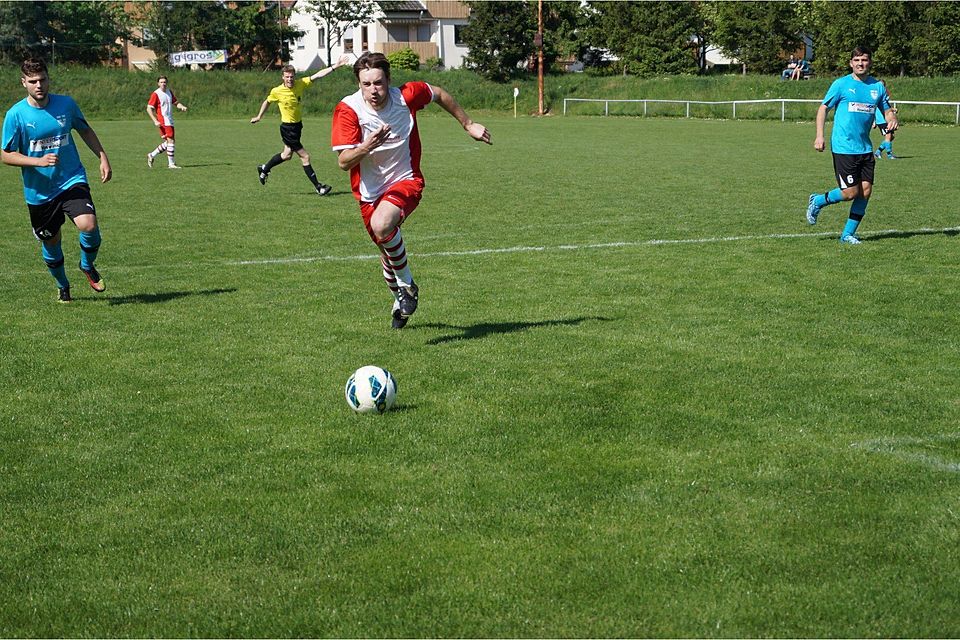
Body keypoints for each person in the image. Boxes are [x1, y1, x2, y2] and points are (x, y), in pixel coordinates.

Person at [331, 52, 491, 329]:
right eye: (366, 84)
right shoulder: (348, 110)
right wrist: (367, 146)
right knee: (386, 250)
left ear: (388, 80)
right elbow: (343, 162)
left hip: (407, 180)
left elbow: (438, 93)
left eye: (378, 83)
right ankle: (399, 301)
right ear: (358, 84)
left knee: (383, 226)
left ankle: (408, 286)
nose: (373, 90)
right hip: (369, 193)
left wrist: (467, 123)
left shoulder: (407, 95)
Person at [1, 57, 111, 303]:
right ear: (24, 83)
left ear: (49, 79)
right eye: (32, 81)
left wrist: (102, 157)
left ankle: (86, 265)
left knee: (89, 225)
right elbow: (5, 155)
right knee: (52, 241)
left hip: (71, 179)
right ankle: (63, 285)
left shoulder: (66, 105)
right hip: (39, 191)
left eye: (42, 80)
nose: (38, 85)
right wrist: (37, 161)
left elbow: (84, 130)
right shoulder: (15, 115)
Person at [805, 45, 898, 244]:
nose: (860, 64)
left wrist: (891, 118)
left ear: (870, 62)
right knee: (850, 193)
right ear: (851, 63)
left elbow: (887, 110)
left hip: (865, 147)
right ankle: (818, 200)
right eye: (856, 60)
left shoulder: (877, 87)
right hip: (843, 147)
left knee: (865, 192)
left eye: (864, 60)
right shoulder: (841, 84)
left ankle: (848, 234)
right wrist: (819, 136)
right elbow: (823, 109)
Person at [251, 56, 351, 195]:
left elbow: (317, 76)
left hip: (297, 127)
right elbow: (267, 101)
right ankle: (319, 187)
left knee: (286, 155)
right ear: (283, 78)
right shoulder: (277, 91)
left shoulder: (300, 84)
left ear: (294, 76)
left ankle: (264, 168)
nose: (290, 79)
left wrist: (335, 66)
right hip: (287, 128)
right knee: (305, 157)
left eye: (291, 77)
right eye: (287, 77)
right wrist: (259, 116)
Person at [146, 75, 188, 169]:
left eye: (164, 82)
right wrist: (155, 121)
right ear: (158, 83)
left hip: (169, 119)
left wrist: (181, 106)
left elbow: (176, 103)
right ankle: (171, 164)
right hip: (163, 120)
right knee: (171, 140)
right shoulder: (156, 94)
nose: (163, 84)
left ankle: (151, 155)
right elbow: (149, 108)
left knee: (169, 141)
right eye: (161, 82)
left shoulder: (169, 92)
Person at [873, 81, 898, 159]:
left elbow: (885, 107)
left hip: (886, 119)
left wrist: (892, 110)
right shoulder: (875, 94)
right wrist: (874, 121)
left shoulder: (884, 94)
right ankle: (889, 155)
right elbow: (872, 108)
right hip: (881, 120)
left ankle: (877, 152)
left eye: (883, 85)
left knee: (892, 137)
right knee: (888, 136)